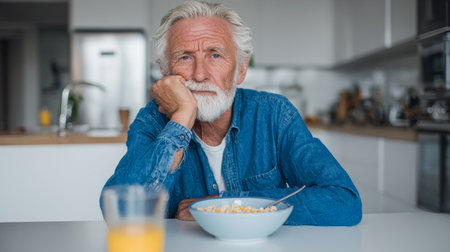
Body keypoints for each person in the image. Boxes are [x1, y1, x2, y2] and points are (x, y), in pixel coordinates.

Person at [101, 0, 362, 226]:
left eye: (215, 55)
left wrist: (225, 206)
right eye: (184, 57)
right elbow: (124, 214)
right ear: (164, 70)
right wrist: (181, 117)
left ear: (241, 69)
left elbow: (343, 201)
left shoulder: (274, 114)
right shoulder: (151, 121)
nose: (200, 74)